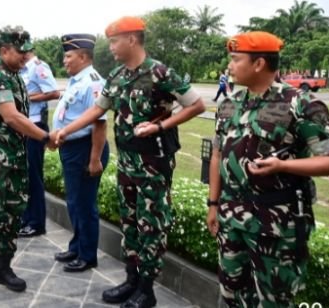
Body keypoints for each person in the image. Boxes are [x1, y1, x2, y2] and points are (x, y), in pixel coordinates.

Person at [50, 16, 205, 308]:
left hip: (154, 164)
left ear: (131, 39)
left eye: (114, 41)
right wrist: (65, 131)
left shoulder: (160, 72)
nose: (110, 48)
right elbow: (97, 110)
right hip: (128, 163)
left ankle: (147, 290)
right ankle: (131, 279)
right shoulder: (118, 76)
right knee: (130, 222)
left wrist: (160, 126)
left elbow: (197, 104)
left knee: (151, 224)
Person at [208, 32, 329, 308]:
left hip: (275, 226)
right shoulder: (228, 104)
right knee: (231, 293)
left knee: (273, 300)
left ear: (259, 63)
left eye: (236, 60)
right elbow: (217, 154)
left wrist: (283, 165)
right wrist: (213, 204)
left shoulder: (301, 104)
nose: (230, 66)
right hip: (231, 218)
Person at [0, 26, 56, 292]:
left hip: (14, 154)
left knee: (14, 210)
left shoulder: (15, 76)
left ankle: (3, 266)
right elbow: (12, 117)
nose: (26, 57)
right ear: (4, 51)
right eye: (21, 52)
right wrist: (45, 137)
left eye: (28, 51)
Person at [51, 33, 108, 272]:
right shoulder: (77, 80)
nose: (64, 60)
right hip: (72, 149)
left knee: (84, 204)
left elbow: (99, 123)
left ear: (83, 56)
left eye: (68, 56)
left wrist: (94, 159)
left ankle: (87, 255)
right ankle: (76, 246)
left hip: (86, 149)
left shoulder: (94, 82)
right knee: (75, 203)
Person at [18, 46, 60, 237]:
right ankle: (26, 218)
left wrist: (27, 97)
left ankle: (36, 223)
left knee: (34, 176)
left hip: (35, 127)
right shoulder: (21, 69)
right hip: (24, 126)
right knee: (25, 175)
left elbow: (53, 92)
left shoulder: (39, 67)